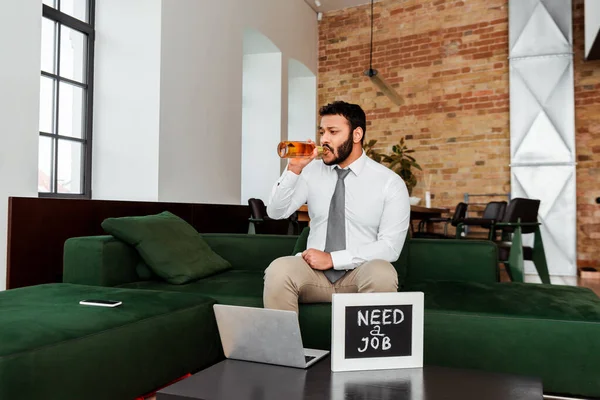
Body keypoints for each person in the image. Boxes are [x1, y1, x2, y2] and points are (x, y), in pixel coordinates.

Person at [264, 101, 411, 313]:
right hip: (313, 275)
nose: (324, 139)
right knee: (278, 269)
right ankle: (282, 347)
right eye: (322, 132)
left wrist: (333, 259)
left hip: (359, 273)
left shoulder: (389, 182)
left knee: (382, 272)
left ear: (357, 135)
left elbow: (390, 247)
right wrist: (293, 170)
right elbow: (276, 212)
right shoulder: (311, 172)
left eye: (333, 132)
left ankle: (365, 346)